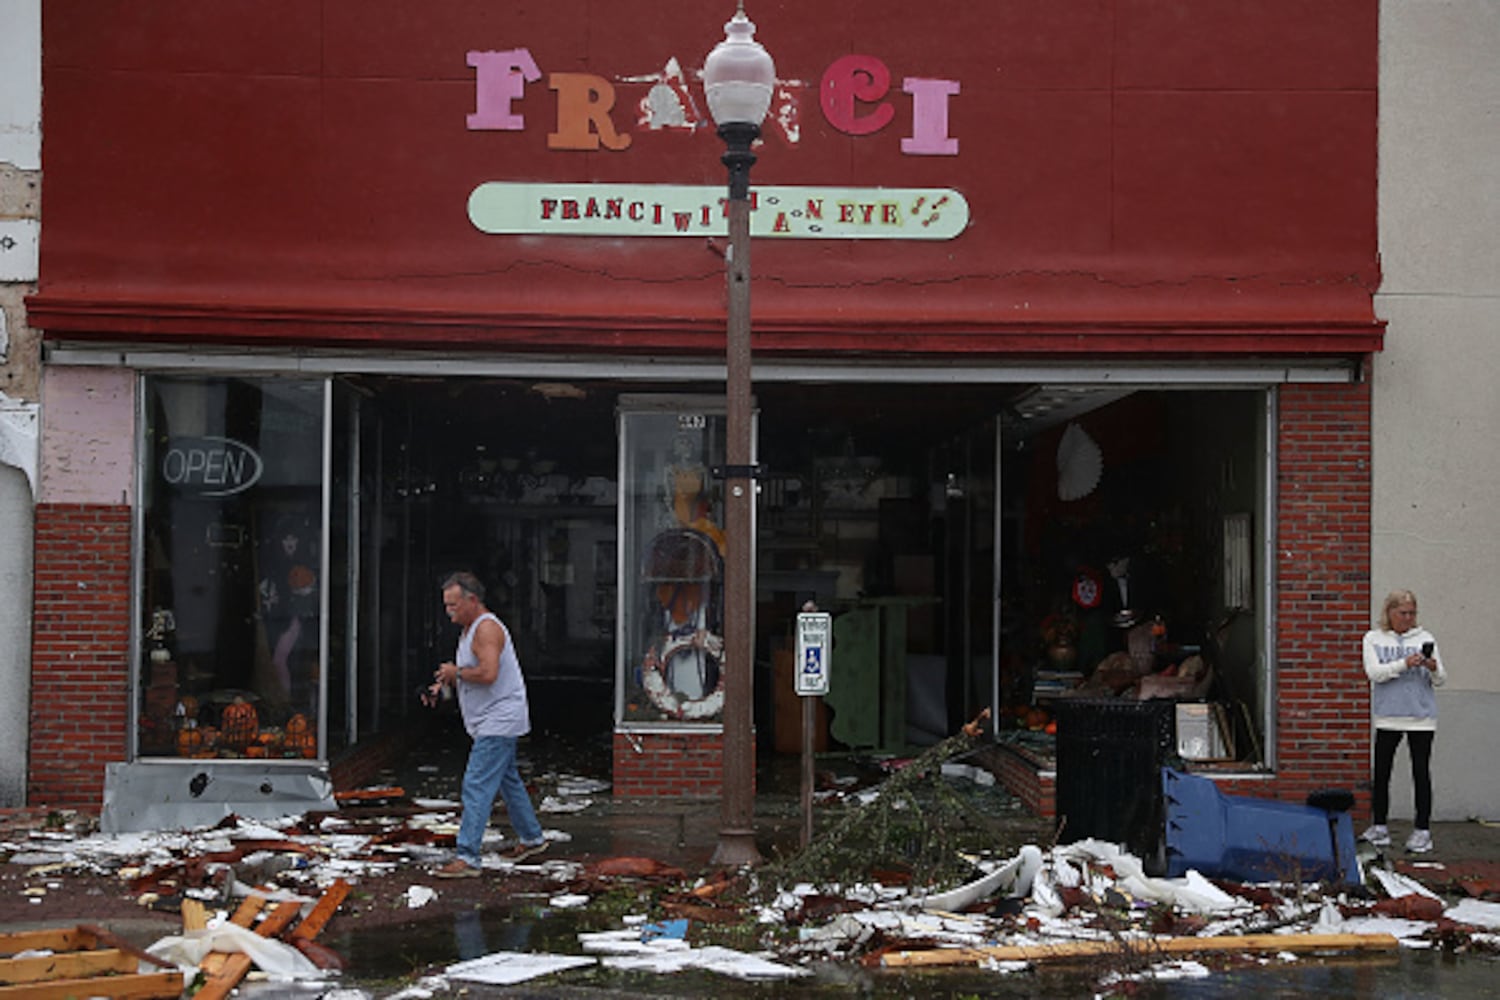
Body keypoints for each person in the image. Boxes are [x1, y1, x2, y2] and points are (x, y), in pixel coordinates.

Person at [426, 571, 548, 877]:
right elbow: (472, 672)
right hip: (490, 719)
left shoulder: (486, 629)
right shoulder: (469, 630)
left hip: (499, 719)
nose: (448, 611)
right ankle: (532, 838)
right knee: (508, 780)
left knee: (476, 785)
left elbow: (488, 673)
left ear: (472, 599)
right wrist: (446, 684)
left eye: (453, 604)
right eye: (445, 605)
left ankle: (467, 857)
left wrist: (458, 673)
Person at [1361, 589, 1446, 854]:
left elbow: (1441, 679)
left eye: (1412, 613)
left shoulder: (1425, 637)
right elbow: (1374, 673)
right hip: (1388, 715)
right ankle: (1379, 827)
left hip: (1421, 717)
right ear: (1390, 612)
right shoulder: (1373, 638)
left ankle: (1422, 831)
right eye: (1402, 613)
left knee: (1420, 772)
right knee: (1382, 772)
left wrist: (1432, 667)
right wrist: (1404, 664)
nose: (1408, 618)